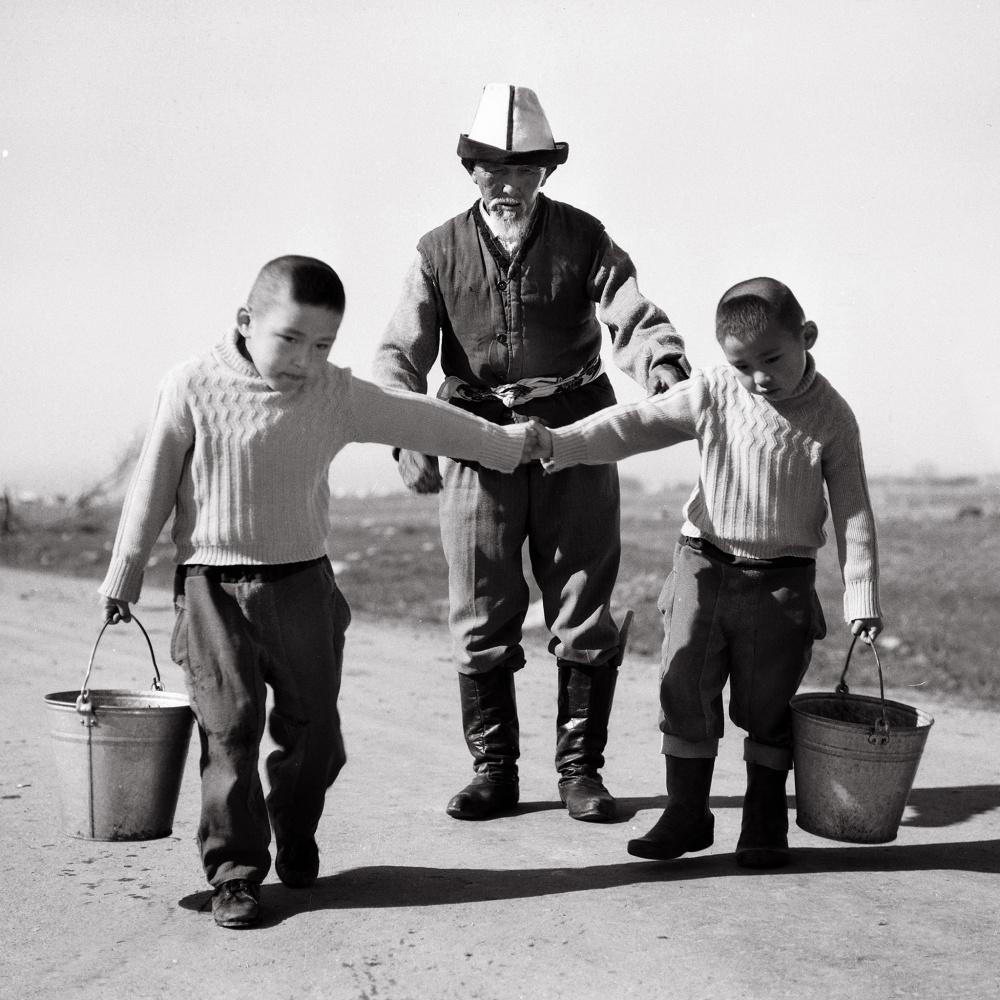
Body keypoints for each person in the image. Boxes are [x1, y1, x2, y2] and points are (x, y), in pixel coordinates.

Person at [99, 256, 536, 929]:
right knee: (231, 729)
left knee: (317, 735)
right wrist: (124, 573)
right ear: (247, 323)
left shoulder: (333, 394)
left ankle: (294, 828)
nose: (306, 359)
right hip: (212, 589)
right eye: (291, 339)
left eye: (324, 344)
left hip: (303, 585)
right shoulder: (190, 385)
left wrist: (506, 445)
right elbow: (152, 483)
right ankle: (236, 872)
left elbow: (421, 420)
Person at [374, 84, 689, 824]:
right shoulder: (436, 252)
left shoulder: (586, 238)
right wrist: (407, 431)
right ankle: (495, 772)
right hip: (474, 439)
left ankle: (581, 772)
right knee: (481, 604)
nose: (509, 183)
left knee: (582, 602)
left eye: (525, 168)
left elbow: (633, 315)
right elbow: (399, 352)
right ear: (471, 170)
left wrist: (663, 366)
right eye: (493, 168)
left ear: (547, 171)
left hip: (574, 434)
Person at [528, 276, 882, 867]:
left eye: (772, 358)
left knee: (768, 706)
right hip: (703, 567)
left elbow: (853, 510)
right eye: (743, 365)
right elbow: (634, 425)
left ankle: (765, 822)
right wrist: (560, 444)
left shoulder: (833, 418)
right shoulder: (714, 391)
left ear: (807, 337)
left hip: (783, 582)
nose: (760, 377)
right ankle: (687, 813)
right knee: (683, 685)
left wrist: (861, 593)